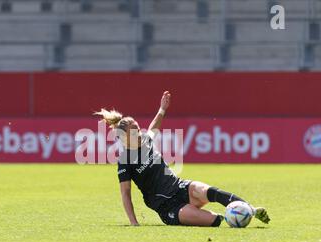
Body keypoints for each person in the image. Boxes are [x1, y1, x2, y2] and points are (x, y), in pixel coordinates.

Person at [94, 91, 270, 227]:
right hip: (166, 206)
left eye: (138, 128)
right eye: (134, 131)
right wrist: (134, 222)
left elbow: (153, 126)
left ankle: (252, 210)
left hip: (179, 187)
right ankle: (235, 217)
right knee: (216, 221)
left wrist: (162, 109)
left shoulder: (146, 139)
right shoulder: (125, 161)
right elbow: (125, 193)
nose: (139, 132)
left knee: (211, 192)